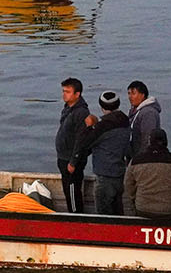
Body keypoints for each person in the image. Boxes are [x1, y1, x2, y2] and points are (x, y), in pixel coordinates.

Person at [70, 91, 131, 215]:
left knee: (104, 213)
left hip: (104, 175)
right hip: (119, 173)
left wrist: (89, 126)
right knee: (118, 209)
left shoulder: (102, 127)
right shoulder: (125, 122)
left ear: (102, 106)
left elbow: (85, 144)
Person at [55, 77, 91, 213]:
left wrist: (73, 161)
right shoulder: (67, 108)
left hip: (71, 160)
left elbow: (81, 139)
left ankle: (76, 216)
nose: (64, 94)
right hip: (63, 157)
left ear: (77, 94)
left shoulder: (81, 112)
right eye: (64, 91)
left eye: (68, 92)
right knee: (67, 189)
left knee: (72, 191)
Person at [125, 81, 163, 158]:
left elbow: (148, 138)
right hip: (134, 156)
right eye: (129, 93)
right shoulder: (135, 111)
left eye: (133, 93)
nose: (130, 96)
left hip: (143, 159)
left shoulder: (148, 113)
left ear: (142, 95)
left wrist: (142, 159)